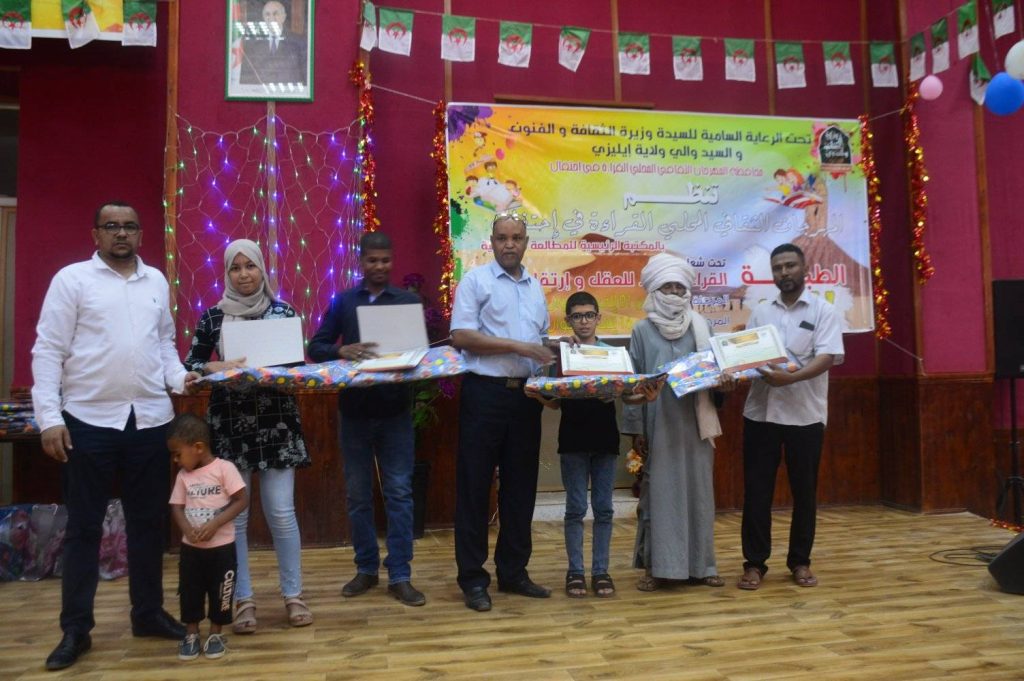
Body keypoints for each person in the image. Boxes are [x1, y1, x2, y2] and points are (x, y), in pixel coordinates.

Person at [31, 200, 200, 671]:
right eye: (111, 226)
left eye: (129, 226)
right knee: (84, 529)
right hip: (88, 422)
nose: (121, 233)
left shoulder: (156, 281)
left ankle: (147, 614)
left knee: (148, 524)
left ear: (141, 235)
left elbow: (163, 344)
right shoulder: (72, 280)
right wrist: (49, 418)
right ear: (96, 234)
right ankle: (76, 630)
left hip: (150, 421)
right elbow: (48, 350)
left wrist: (180, 378)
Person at [183, 238, 313, 632]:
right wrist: (214, 366)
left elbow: (298, 366)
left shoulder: (283, 312)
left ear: (262, 269)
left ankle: (293, 595)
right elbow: (191, 364)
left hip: (277, 424)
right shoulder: (213, 317)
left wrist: (282, 372)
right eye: (235, 268)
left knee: (282, 514)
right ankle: (242, 599)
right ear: (226, 273)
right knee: (235, 520)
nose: (243, 274)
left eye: (250, 266)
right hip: (229, 426)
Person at [308, 231, 426, 607]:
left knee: (400, 494)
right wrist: (342, 350)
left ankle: (401, 575)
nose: (379, 267)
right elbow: (316, 347)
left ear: (393, 260)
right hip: (355, 414)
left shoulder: (407, 302)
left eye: (385, 260)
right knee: (358, 496)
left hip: (396, 413)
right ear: (360, 262)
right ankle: (366, 569)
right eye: (372, 260)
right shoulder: (344, 302)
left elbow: (422, 354)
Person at [450, 212, 556, 612]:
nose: (509, 244)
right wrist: (518, 346)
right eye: (502, 238)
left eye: (516, 238)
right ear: (491, 242)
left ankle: (513, 572)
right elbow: (461, 336)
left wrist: (554, 369)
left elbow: (541, 340)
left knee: (521, 488)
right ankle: (473, 579)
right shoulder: (476, 281)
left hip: (526, 398)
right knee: (475, 488)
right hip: (484, 395)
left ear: (526, 242)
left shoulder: (535, 287)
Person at [621, 253, 733, 592]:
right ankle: (658, 568)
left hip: (696, 424)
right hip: (658, 426)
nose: (673, 292)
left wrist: (724, 383)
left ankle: (702, 566)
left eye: (679, 286)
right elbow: (631, 383)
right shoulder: (641, 330)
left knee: (699, 495)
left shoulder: (702, 326)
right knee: (660, 497)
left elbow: (715, 374)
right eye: (667, 286)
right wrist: (636, 431)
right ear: (654, 289)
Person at [737, 243, 844, 591]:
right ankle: (754, 564)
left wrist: (791, 379)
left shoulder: (824, 310)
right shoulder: (760, 312)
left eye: (790, 266)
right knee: (756, 492)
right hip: (761, 414)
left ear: (804, 269)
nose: (784, 272)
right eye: (778, 268)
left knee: (804, 493)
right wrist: (741, 365)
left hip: (806, 416)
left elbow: (827, 356)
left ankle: (800, 561)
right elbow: (749, 355)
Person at [535, 292, 622, 599]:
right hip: (572, 440)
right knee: (575, 509)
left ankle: (600, 571)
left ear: (598, 318)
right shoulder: (562, 357)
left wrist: (624, 393)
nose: (584, 321)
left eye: (589, 315)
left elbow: (628, 393)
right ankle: (575, 571)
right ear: (568, 320)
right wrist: (537, 394)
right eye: (577, 316)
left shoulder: (612, 354)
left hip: (606, 439)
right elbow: (554, 402)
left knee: (604, 509)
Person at [167, 414, 247, 661]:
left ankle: (215, 634)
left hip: (222, 549)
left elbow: (241, 500)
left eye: (178, 454)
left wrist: (216, 524)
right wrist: (186, 529)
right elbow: (177, 507)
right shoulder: (183, 477)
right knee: (189, 591)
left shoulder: (225, 469)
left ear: (198, 447)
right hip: (191, 551)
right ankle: (191, 634)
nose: (175, 460)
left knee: (221, 591)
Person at [239, 0, 307, 87]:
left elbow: (307, 79)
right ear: (264, 18)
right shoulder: (252, 44)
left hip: (290, 93)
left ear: (283, 17)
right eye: (267, 14)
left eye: (275, 13)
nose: (271, 18)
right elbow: (246, 78)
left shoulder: (299, 42)